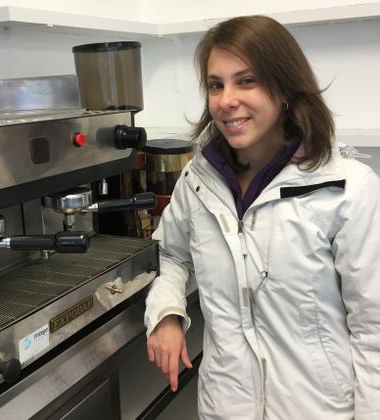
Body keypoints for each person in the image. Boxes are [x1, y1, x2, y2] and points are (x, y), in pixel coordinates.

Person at [144, 15, 380, 419]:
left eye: (246, 81)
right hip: (224, 407)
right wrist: (166, 312)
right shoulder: (197, 181)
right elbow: (170, 255)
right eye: (216, 85)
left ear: (285, 88)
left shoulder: (348, 189)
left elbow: (373, 330)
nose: (226, 100)